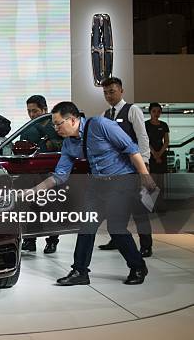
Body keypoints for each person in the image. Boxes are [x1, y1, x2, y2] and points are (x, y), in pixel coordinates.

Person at [31, 102, 155, 285]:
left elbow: (131, 148)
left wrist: (145, 176)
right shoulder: (68, 144)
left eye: (58, 124)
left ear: (72, 120)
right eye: (54, 125)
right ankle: (80, 272)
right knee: (86, 226)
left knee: (116, 228)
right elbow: (60, 176)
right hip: (97, 184)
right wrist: (34, 190)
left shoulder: (100, 124)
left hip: (121, 181)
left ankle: (138, 266)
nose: (55, 128)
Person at [97, 77, 153, 257]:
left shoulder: (132, 110)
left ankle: (146, 245)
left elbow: (142, 137)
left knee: (139, 209)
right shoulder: (104, 115)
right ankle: (117, 239)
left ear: (121, 91)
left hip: (133, 169)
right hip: (114, 172)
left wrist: (144, 163)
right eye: (105, 92)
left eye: (112, 91)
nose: (108, 95)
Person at [20, 95, 63, 254]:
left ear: (45, 109)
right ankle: (30, 240)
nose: (32, 115)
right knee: (33, 209)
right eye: (29, 111)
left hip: (52, 174)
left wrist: (51, 143)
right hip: (32, 174)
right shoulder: (27, 128)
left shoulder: (56, 126)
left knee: (52, 209)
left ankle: (52, 241)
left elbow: (65, 146)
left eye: (35, 111)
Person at [146, 102, 170, 174]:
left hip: (162, 152)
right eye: (154, 111)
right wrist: (154, 154)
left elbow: (166, 141)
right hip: (149, 153)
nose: (156, 113)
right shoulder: (145, 125)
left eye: (159, 111)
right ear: (150, 112)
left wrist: (159, 154)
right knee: (150, 176)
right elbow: (145, 141)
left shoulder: (164, 125)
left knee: (162, 176)